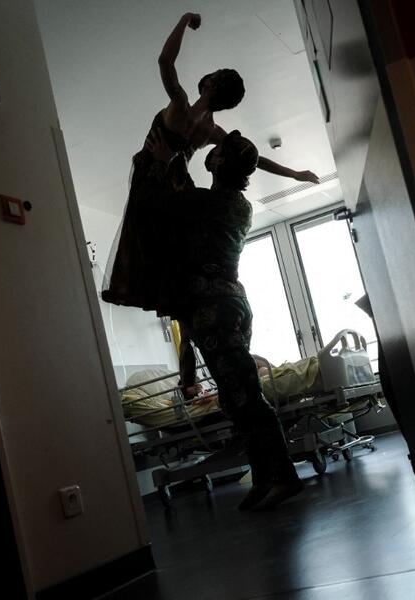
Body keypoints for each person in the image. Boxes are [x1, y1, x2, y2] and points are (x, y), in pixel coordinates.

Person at [102, 12, 318, 310]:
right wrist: (295, 174)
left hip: (154, 173)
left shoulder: (179, 104)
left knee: (147, 242)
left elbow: (165, 60)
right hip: (178, 184)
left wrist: (183, 19)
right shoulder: (213, 131)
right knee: (171, 247)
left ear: (210, 83)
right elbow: (253, 158)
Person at [140, 127, 304, 510]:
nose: (211, 152)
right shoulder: (237, 204)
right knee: (237, 398)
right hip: (231, 303)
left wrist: (163, 163)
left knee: (245, 398)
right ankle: (265, 478)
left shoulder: (206, 203)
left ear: (218, 163)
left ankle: (284, 477)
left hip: (215, 308)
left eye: (217, 151)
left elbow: (156, 202)